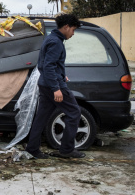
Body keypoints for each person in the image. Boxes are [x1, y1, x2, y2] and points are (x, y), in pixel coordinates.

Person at [26, 13, 85, 159]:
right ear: (66, 27)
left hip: (46, 84)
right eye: (73, 30)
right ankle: (66, 150)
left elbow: (49, 64)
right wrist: (56, 88)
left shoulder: (51, 39)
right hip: (53, 85)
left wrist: (60, 74)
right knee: (74, 113)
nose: (73, 33)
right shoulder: (56, 42)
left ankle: (32, 148)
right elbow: (48, 66)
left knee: (41, 117)